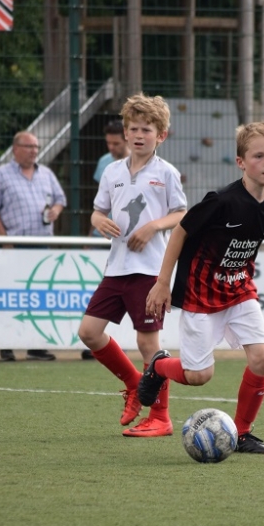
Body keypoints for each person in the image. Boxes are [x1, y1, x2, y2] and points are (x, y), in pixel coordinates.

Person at [138, 120, 264, 455]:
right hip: (200, 295)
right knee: (199, 376)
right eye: (259, 156)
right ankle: (159, 366)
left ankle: (242, 433)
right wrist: (163, 282)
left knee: (262, 357)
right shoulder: (221, 201)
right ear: (241, 162)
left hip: (239, 291)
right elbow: (180, 232)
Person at [77, 94, 187, 437]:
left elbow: (182, 213)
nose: (139, 135)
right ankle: (133, 383)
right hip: (116, 268)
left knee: (148, 344)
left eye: (147, 130)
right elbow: (97, 211)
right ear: (125, 133)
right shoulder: (112, 172)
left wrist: (153, 226)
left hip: (150, 271)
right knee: (89, 332)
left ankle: (161, 418)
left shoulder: (166, 173)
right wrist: (99, 220)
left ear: (161, 135)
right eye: (134, 129)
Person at [0, 131, 67, 362]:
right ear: (16, 149)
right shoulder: (1, 175)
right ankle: (7, 344)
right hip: (15, 244)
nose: (34, 151)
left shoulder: (46, 173)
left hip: (42, 244)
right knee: (12, 295)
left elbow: (61, 199)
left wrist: (55, 211)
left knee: (39, 296)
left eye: (36, 147)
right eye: (29, 146)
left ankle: (36, 346)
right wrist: (4, 240)